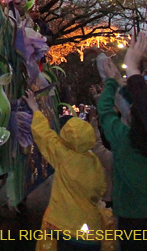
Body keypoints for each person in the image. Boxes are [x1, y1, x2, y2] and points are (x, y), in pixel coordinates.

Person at [24, 89, 108, 251]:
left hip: (66, 228)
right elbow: (101, 188)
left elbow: (44, 134)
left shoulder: (63, 156)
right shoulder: (94, 162)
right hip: (92, 231)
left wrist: (35, 109)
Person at [97, 40, 147, 251]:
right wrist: (119, 78)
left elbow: (105, 111)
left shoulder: (122, 138)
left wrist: (110, 82)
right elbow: (146, 111)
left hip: (129, 217)